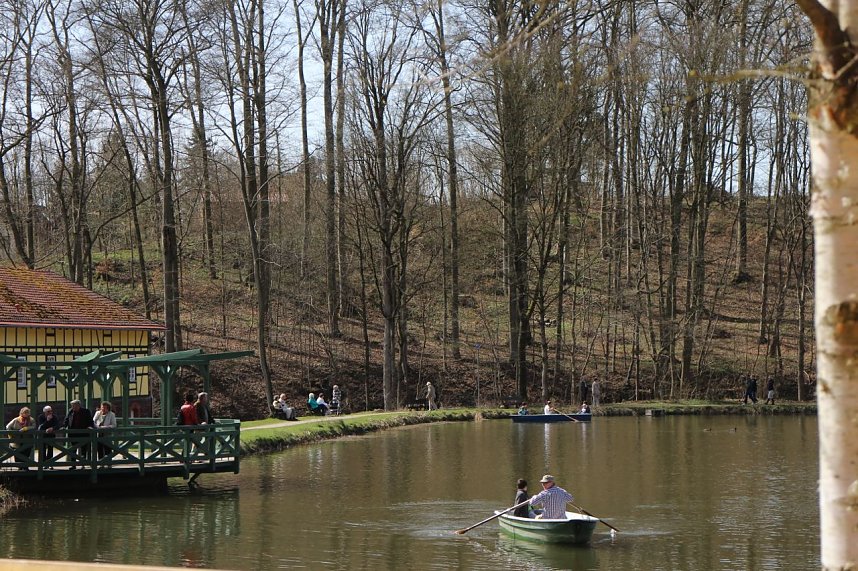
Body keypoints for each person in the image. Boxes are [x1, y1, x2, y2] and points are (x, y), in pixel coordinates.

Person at [63, 399, 94, 468]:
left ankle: (83, 464)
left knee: (83, 449)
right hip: (73, 434)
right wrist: (64, 427)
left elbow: (90, 421)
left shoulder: (86, 411)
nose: (72, 407)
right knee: (73, 450)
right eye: (72, 406)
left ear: (78, 405)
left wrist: (89, 426)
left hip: (83, 434)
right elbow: (66, 420)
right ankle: (73, 465)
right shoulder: (70, 411)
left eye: (74, 405)